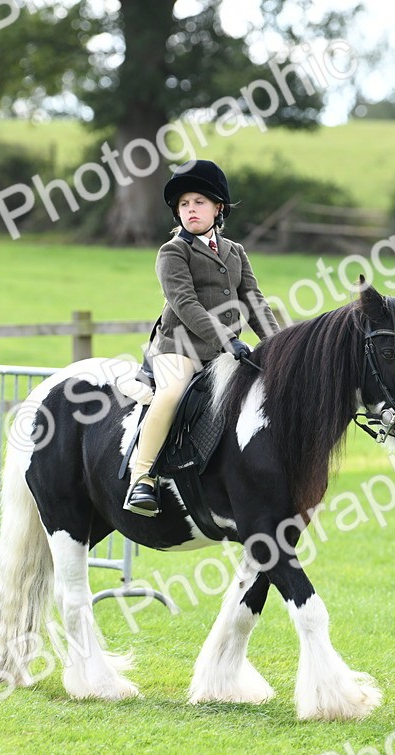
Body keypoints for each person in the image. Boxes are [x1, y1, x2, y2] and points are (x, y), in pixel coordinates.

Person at [124, 160, 282, 516]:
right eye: (183, 204)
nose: (190, 210)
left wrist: (280, 344)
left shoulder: (235, 252)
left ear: (217, 207)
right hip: (179, 349)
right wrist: (228, 339)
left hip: (224, 353)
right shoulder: (172, 252)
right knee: (170, 394)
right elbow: (185, 304)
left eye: (198, 202)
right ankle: (142, 477)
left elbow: (254, 301)